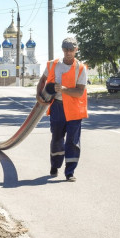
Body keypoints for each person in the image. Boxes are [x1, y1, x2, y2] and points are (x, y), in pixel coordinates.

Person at [36, 37, 88, 182]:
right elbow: (42, 80)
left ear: (76, 50)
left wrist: (64, 89)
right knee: (57, 138)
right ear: (63, 49)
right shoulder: (53, 64)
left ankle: (70, 172)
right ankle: (55, 165)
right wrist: (38, 94)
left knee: (72, 141)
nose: (69, 53)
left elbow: (79, 92)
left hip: (74, 110)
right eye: (66, 50)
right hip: (57, 107)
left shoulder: (81, 68)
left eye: (72, 50)